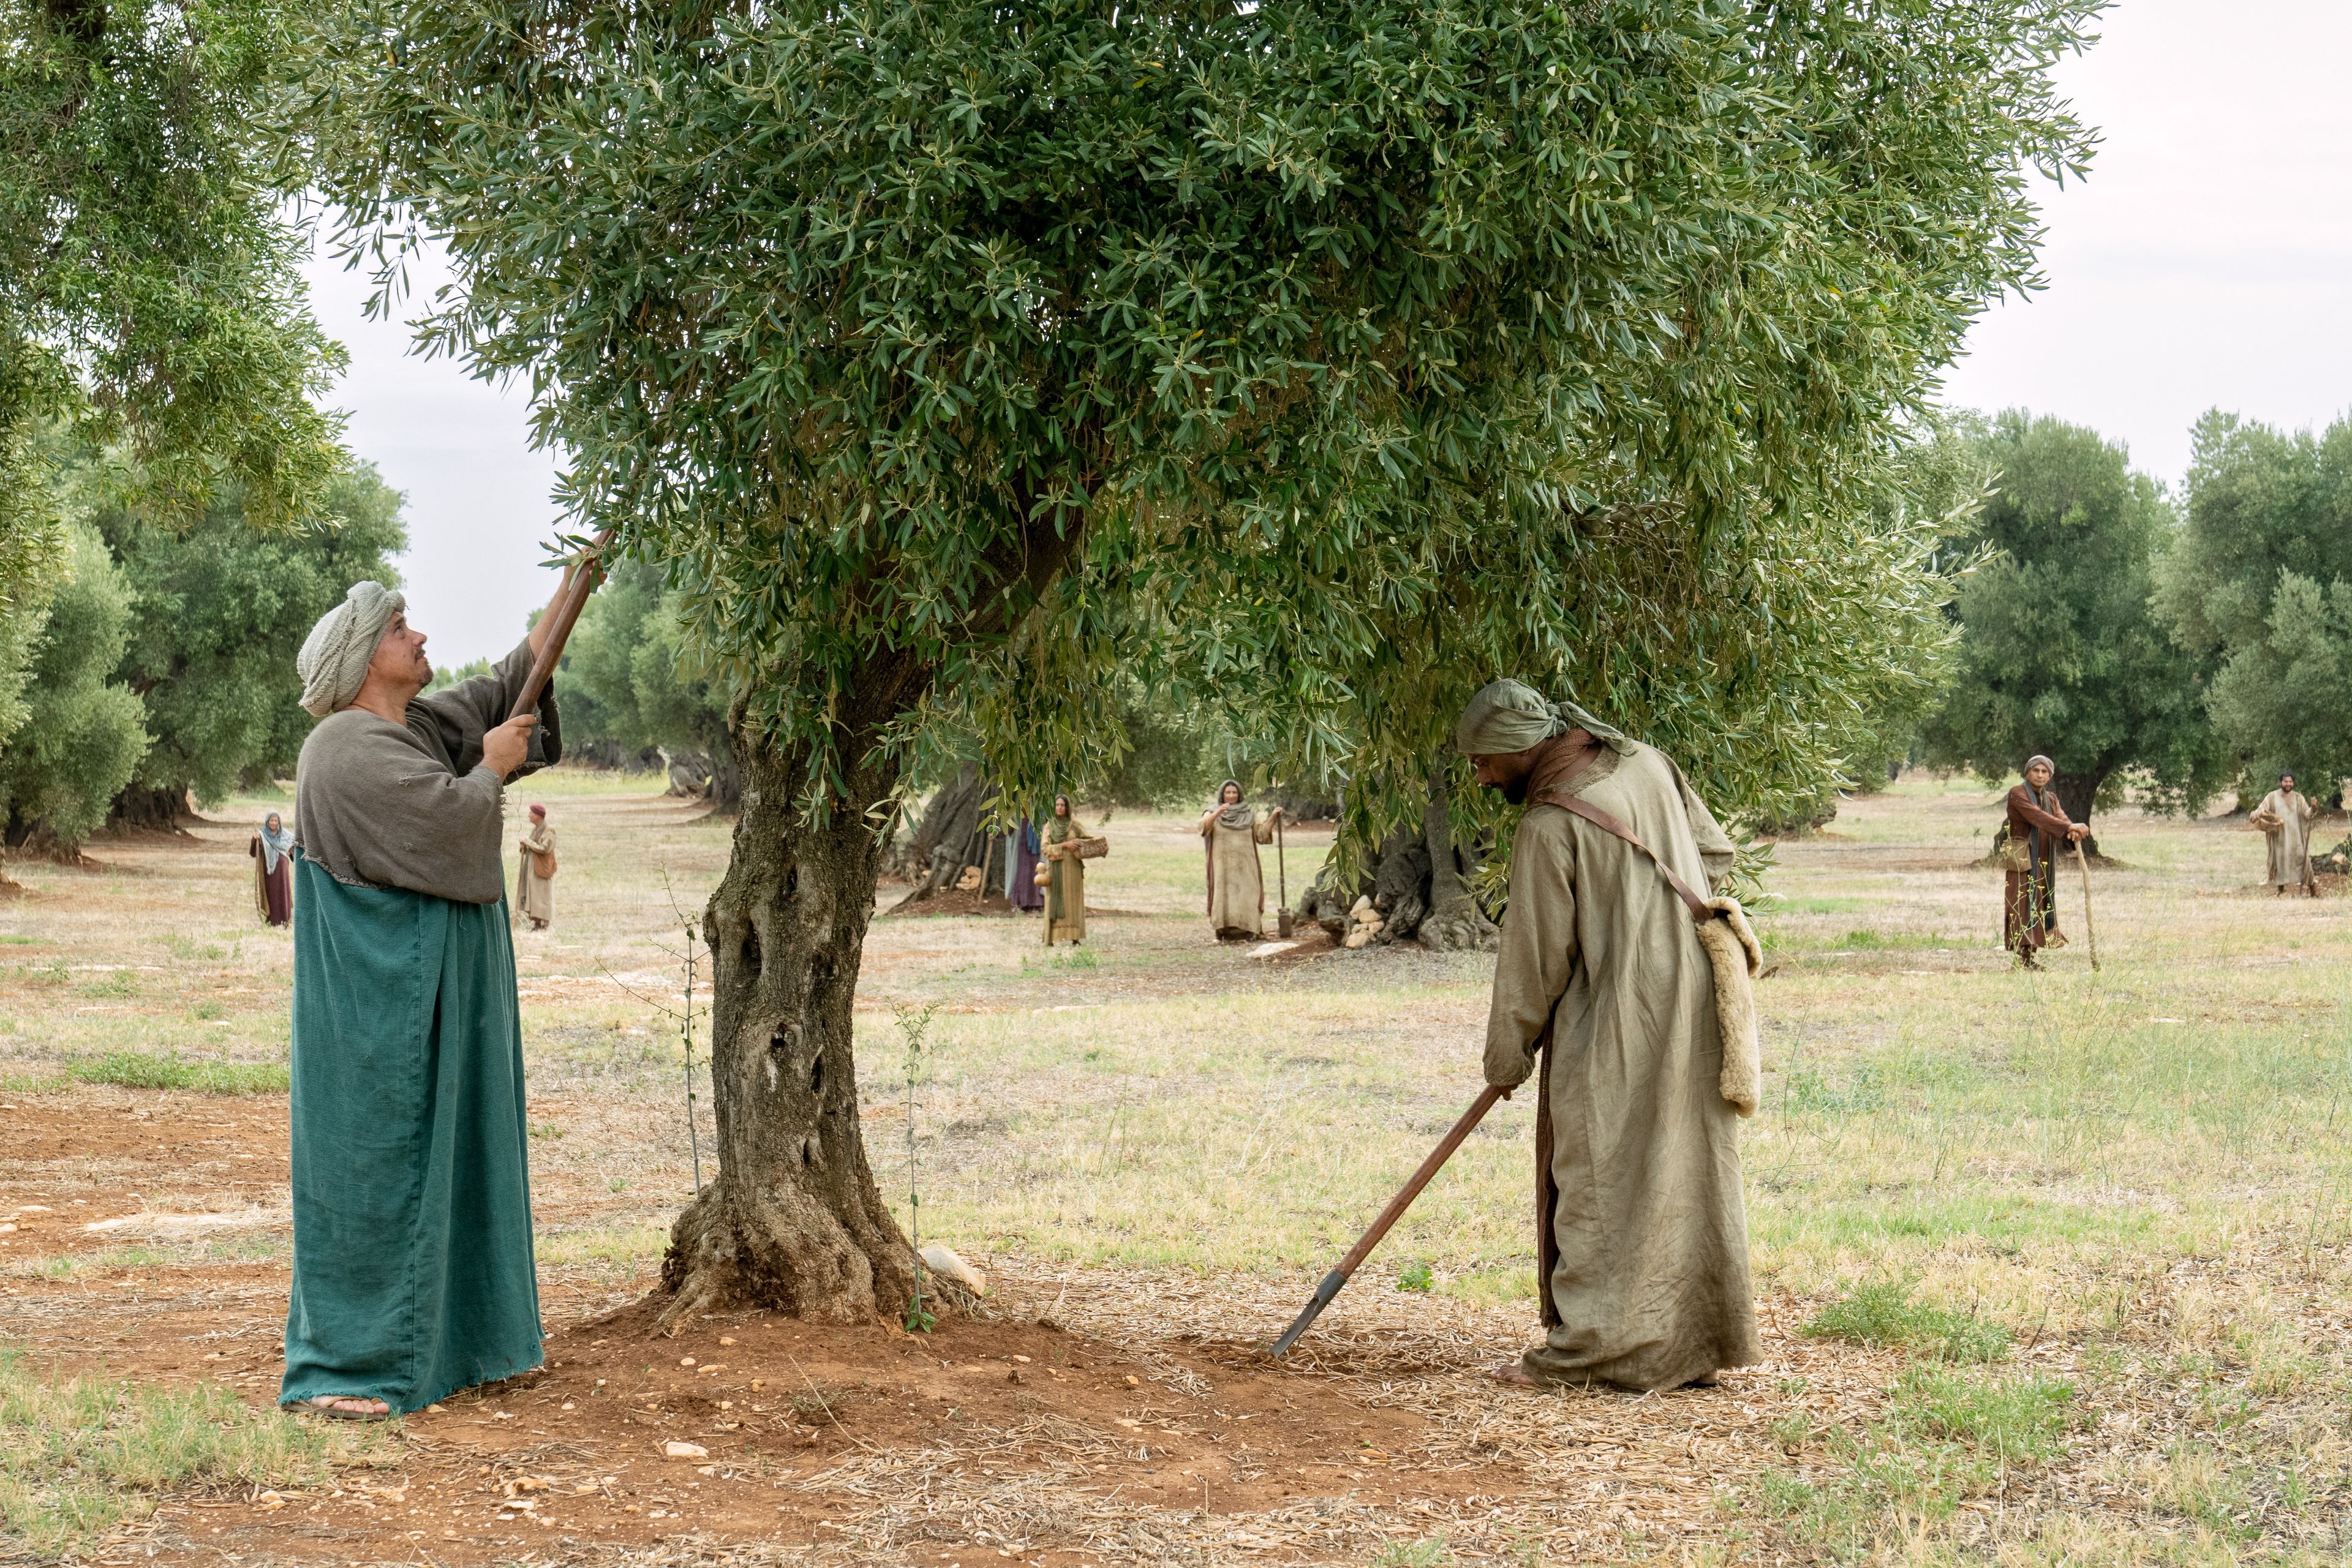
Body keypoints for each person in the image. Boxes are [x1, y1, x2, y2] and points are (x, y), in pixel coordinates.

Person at [279, 568, 581, 1420]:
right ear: (365, 659)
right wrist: (489, 771)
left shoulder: (404, 728)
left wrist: (570, 590)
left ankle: (463, 1342)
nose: (417, 636)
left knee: (454, 1157)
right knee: (383, 1165)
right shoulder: (343, 747)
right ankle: (348, 1368)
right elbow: (451, 824)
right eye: (400, 629)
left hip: (434, 992)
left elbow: (504, 687)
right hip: (383, 1012)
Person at [1459, 678, 1757, 1392]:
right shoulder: (1645, 762)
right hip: (1696, 989)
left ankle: (1593, 1348)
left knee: (1598, 1165)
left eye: (1483, 762)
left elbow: (1533, 960)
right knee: (1684, 1161)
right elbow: (1713, 853)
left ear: (1516, 748)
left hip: (1625, 1006)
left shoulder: (1549, 825)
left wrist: (1507, 1057)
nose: (1480, 776)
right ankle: (1686, 1343)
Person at [2003, 755, 2085, 968]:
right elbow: (2038, 817)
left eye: (2044, 772)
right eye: (2036, 770)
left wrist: (2075, 829)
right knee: (2021, 902)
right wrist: (2068, 828)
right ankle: (2020, 957)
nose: (2040, 775)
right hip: (2023, 857)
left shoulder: (2051, 798)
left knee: (2040, 902)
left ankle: (2030, 958)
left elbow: (2061, 817)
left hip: (2044, 859)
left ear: (2050, 776)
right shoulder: (2017, 794)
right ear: (2027, 772)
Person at [1199, 780, 1283, 940]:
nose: (1231, 796)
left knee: (1249, 894)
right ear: (1222, 795)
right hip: (1221, 866)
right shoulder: (1211, 812)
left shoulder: (1248, 813)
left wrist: (1273, 817)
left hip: (1246, 865)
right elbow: (1203, 828)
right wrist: (1217, 813)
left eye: (1234, 793)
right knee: (1224, 897)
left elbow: (1261, 835)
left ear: (1239, 795)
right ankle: (1224, 931)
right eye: (1228, 793)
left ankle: (1250, 930)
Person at [2250, 772, 2318, 897]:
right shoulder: (2272, 797)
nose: (2288, 784)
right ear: (2280, 783)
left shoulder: (2298, 797)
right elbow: (2261, 809)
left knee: (2304, 861)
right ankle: (2281, 891)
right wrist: (2254, 815)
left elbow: (2307, 815)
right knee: (2280, 861)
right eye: (2286, 782)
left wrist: (2313, 808)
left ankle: (2313, 891)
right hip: (2279, 837)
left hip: (2297, 837)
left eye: (2291, 782)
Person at [1040, 794, 1088, 944]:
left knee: (1074, 901)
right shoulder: (1050, 826)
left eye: (1063, 805)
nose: (1060, 808)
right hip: (1057, 869)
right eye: (1057, 805)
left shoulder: (1075, 825)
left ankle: (1075, 937)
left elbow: (1087, 841)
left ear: (1068, 808)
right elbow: (1045, 848)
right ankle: (1052, 938)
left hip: (1073, 868)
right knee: (1055, 900)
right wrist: (1064, 846)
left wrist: (1080, 844)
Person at [249, 812, 296, 927]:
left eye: (276, 821)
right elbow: (253, 853)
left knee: (283, 891)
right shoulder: (262, 834)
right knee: (272, 893)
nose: (274, 823)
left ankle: (286, 920)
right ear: (267, 822)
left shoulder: (285, 834)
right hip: (269, 870)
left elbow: (293, 846)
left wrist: (291, 852)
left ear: (279, 822)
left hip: (282, 869)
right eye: (272, 821)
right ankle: (272, 921)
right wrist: (255, 840)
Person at [514, 803, 557, 929]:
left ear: (538, 816)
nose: (529, 815)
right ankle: (537, 923)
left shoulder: (549, 830)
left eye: (531, 813)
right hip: (532, 868)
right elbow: (533, 846)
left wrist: (528, 842)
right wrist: (524, 846)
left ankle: (545, 924)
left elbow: (544, 849)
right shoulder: (536, 829)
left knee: (542, 895)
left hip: (542, 868)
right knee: (533, 895)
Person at [1009, 817, 1043, 913]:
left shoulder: (1041, 813)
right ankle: (1022, 903)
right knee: (1023, 876)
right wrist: (996, 834)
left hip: (1038, 850)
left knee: (1037, 874)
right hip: (1023, 850)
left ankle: (1037, 903)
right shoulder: (1017, 814)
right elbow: (1008, 827)